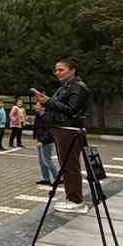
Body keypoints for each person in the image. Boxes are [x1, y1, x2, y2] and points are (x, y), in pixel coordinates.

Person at [32, 58, 92, 213]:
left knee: (70, 166)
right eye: (56, 70)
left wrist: (48, 101)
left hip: (69, 131)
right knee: (66, 166)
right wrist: (44, 110)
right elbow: (58, 111)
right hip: (61, 130)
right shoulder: (65, 87)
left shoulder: (78, 87)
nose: (57, 73)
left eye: (61, 69)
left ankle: (76, 200)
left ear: (72, 70)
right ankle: (71, 198)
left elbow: (71, 110)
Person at [32, 99, 57, 186]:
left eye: (37, 105)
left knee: (47, 160)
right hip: (40, 140)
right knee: (41, 161)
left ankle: (57, 178)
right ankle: (46, 178)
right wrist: (37, 138)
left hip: (46, 141)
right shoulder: (38, 115)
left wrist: (42, 141)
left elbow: (48, 131)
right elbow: (37, 128)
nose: (35, 106)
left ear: (43, 108)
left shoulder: (47, 117)